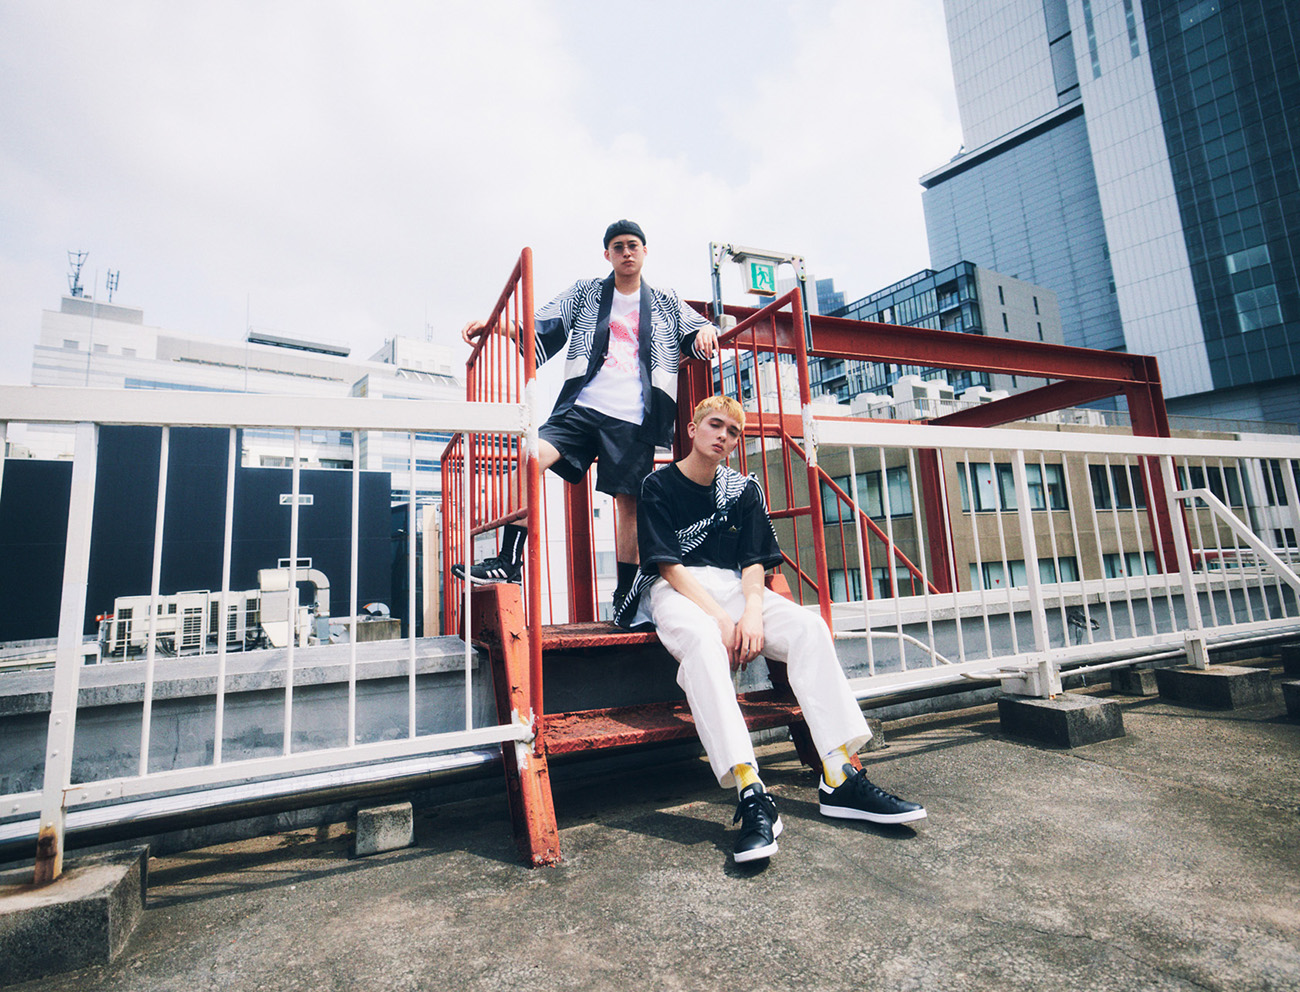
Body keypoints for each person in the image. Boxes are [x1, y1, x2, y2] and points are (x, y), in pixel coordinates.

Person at [616, 395, 926, 864]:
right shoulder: (658, 485)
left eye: (733, 432)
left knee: (808, 628)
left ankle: (839, 775)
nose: (723, 436)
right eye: (714, 425)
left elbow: (754, 563)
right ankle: (750, 788)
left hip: (737, 587)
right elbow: (667, 566)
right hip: (677, 590)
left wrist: (753, 613)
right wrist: (722, 619)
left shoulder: (743, 490)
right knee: (703, 641)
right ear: (693, 429)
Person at [453, 220, 718, 611]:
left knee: (629, 505)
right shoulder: (587, 292)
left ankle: (626, 594)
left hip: (635, 416)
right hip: (582, 406)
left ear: (645, 251)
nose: (626, 252)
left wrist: (706, 332)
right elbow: (543, 324)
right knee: (528, 460)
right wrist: (499, 327)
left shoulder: (665, 300)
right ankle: (509, 562)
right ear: (607, 254)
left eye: (632, 245)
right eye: (618, 247)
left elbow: (699, 330)